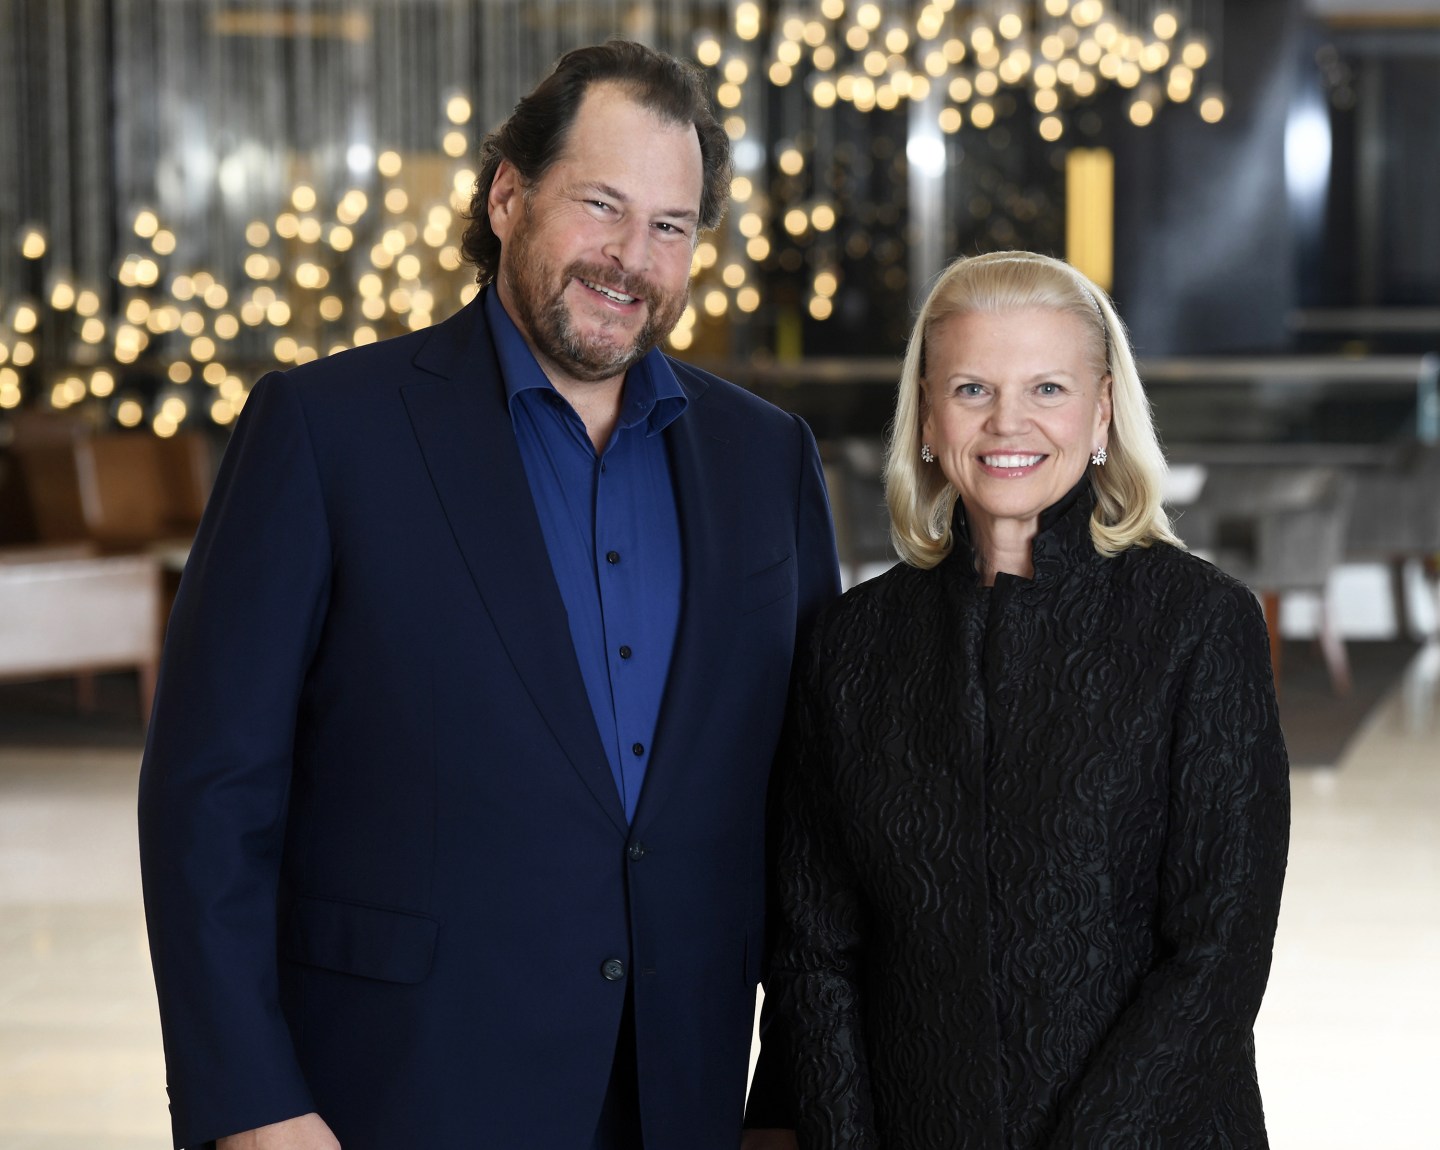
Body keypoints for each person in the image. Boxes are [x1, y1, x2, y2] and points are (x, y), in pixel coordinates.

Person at [138, 40, 839, 1150]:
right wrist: (253, 1103)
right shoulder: (324, 432)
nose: (633, 258)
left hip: (682, 1096)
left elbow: (814, 821)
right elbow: (209, 794)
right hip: (397, 1094)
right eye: (602, 205)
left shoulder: (767, 460)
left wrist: (793, 1100)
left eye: (671, 225)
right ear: (508, 196)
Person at [744, 251, 1290, 1147]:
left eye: (1047, 389)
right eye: (972, 389)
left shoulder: (1201, 625)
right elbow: (814, 953)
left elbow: (1219, 953)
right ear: (927, 415)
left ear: (1102, 411)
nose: (1008, 422)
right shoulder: (849, 644)